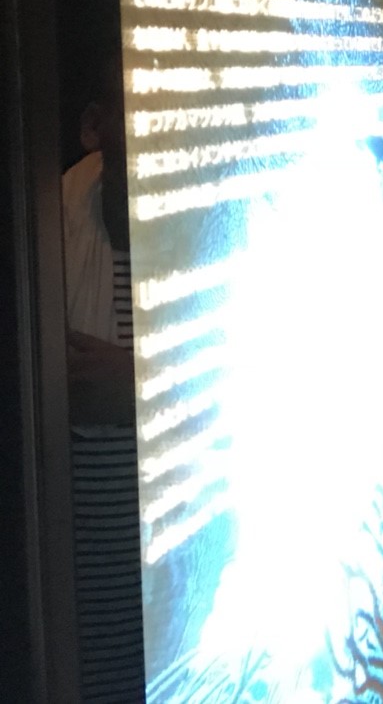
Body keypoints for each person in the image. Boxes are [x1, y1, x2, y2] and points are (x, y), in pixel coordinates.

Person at [62, 60, 146, 701]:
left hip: (186, 589)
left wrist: (138, 386)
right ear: (96, 126)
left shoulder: (220, 216)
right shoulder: (47, 221)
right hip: (78, 598)